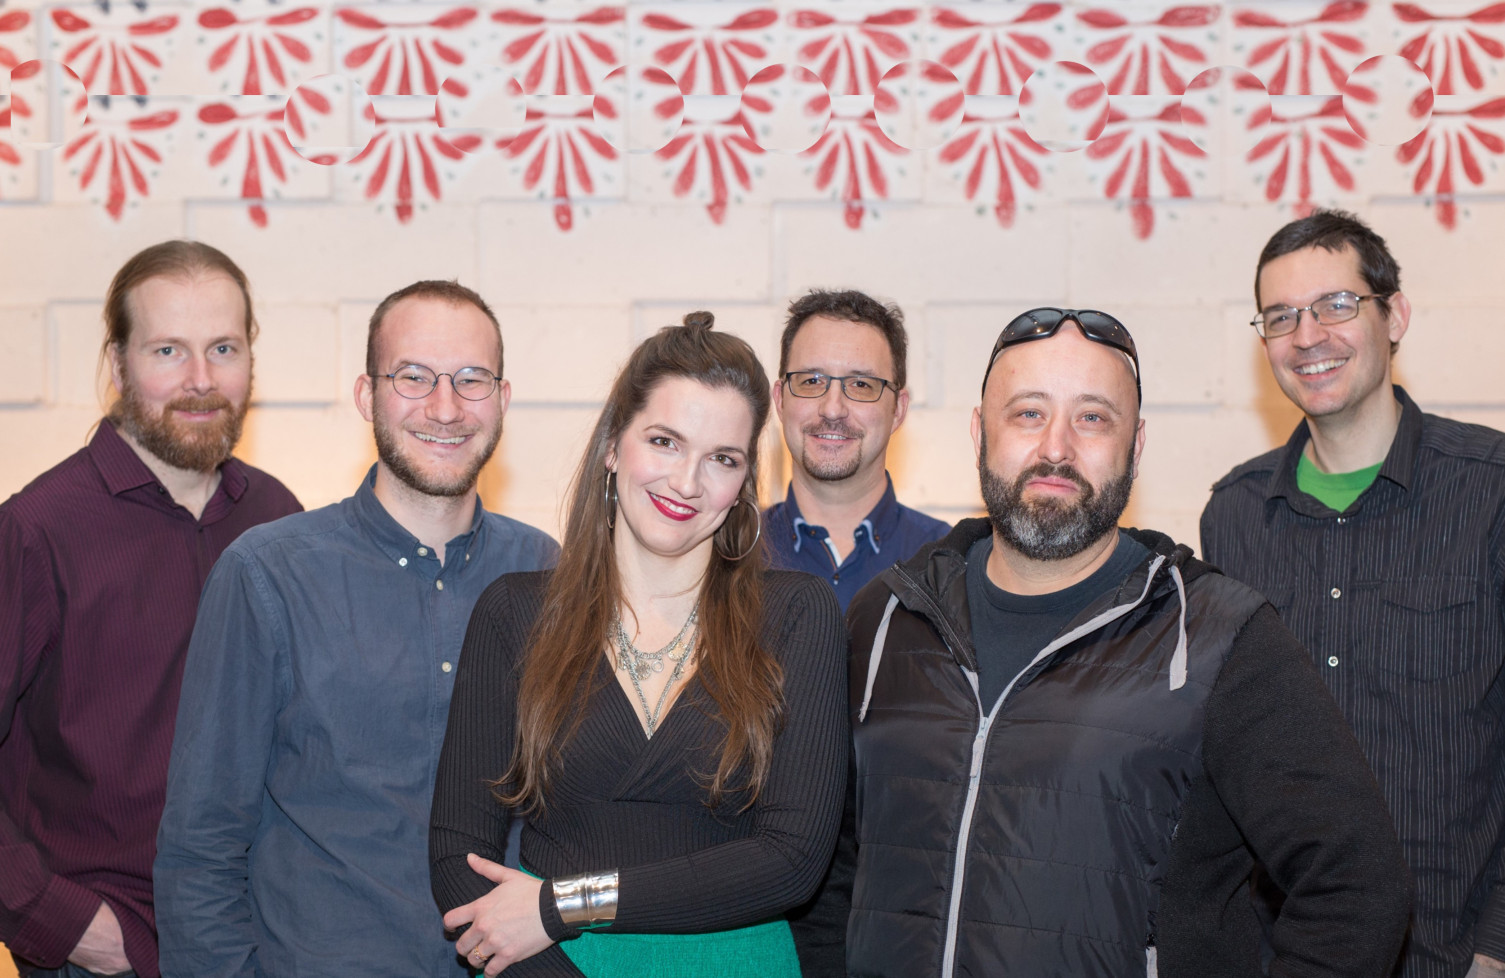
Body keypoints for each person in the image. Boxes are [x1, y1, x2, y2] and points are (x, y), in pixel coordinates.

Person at [840, 308, 1411, 977]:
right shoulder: (886, 617)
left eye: (1092, 417)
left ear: (1135, 447)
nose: (1056, 447)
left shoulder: (1217, 635)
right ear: (979, 432)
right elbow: (836, 874)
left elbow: (1357, 886)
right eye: (1028, 413)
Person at [152, 280, 558, 978]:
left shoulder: (548, 574)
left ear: (503, 399)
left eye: (471, 379)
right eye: (413, 377)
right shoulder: (267, 574)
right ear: (367, 396)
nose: (445, 407)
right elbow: (201, 846)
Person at [429, 312, 848, 978]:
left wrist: (565, 904)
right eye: (664, 441)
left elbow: (791, 862)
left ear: (743, 483)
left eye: (722, 459)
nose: (687, 482)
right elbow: (460, 858)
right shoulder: (516, 614)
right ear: (612, 446)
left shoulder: (797, 614)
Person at [1201, 209, 1505, 978]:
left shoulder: (1489, 492)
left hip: (1448, 953)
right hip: (1283, 953)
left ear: (1393, 315)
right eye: (1280, 316)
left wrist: (1495, 947)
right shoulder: (1232, 516)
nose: (1307, 336)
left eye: (1335, 305)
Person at [0, 241, 301, 978]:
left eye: (223, 348)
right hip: (107, 950)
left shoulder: (279, 518)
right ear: (117, 364)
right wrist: (56, 918)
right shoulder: (37, 530)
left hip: (260, 941)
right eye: (168, 350)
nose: (201, 380)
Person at [764, 290, 948, 610]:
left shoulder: (947, 562)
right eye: (811, 381)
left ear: (898, 409)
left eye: (861, 385)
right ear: (780, 400)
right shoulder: (731, 554)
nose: (832, 409)